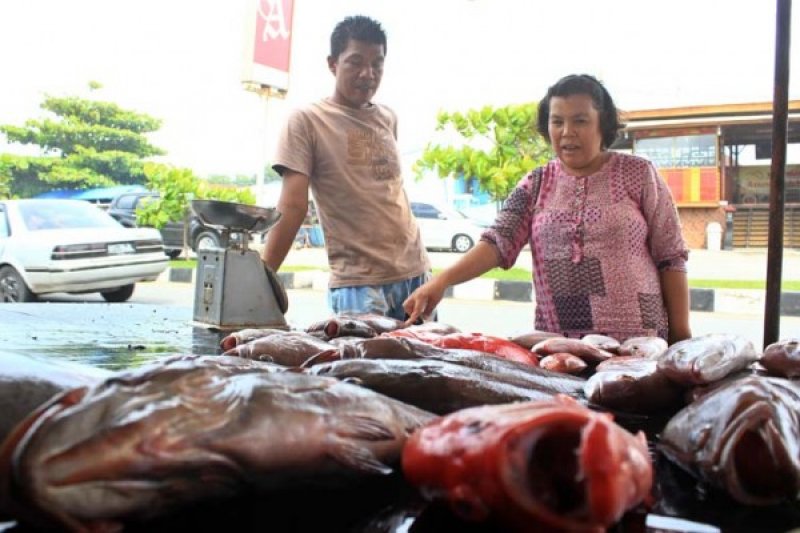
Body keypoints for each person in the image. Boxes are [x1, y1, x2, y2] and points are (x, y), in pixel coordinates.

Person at [404, 74, 691, 345]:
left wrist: (681, 336)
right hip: (559, 344)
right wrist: (442, 281)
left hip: (639, 341)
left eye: (580, 120)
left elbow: (671, 258)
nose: (567, 132)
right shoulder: (536, 183)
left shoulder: (639, 173)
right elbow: (497, 242)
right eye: (557, 122)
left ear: (602, 123)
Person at [262, 15, 431, 320]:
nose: (368, 74)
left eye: (377, 64)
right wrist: (263, 278)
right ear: (333, 64)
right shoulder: (306, 121)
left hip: (416, 275)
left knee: (421, 368)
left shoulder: (388, 117)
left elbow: (389, 191)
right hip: (358, 284)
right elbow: (293, 205)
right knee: (361, 368)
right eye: (355, 62)